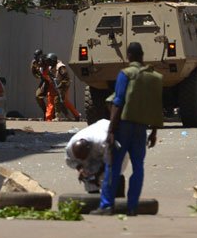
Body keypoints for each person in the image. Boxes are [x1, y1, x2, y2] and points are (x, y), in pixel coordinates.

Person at [92, 42, 162, 216]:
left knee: (113, 166)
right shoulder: (153, 77)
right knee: (138, 167)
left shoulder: (126, 74)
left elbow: (118, 102)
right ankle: (132, 207)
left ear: (129, 55)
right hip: (141, 128)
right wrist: (154, 131)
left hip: (123, 126)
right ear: (142, 55)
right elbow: (156, 106)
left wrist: (111, 130)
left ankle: (107, 205)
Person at [64, 118, 127, 193]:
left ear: (90, 149)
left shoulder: (102, 141)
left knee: (113, 174)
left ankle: (117, 193)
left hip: (113, 135)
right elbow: (70, 161)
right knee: (88, 175)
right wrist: (80, 169)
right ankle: (93, 197)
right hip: (97, 134)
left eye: (85, 157)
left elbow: (111, 160)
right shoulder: (70, 149)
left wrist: (98, 175)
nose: (84, 160)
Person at [52, 55, 82, 121]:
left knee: (58, 99)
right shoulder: (52, 66)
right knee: (64, 101)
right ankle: (75, 115)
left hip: (64, 84)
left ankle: (58, 117)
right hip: (59, 85)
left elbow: (66, 78)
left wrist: (60, 85)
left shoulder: (60, 66)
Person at [30, 49, 48, 115]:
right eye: (35, 56)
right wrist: (39, 77)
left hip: (51, 80)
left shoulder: (46, 59)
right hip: (44, 80)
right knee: (38, 96)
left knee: (54, 97)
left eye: (38, 56)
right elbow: (33, 72)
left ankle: (53, 114)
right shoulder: (34, 62)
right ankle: (45, 111)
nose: (36, 58)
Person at [42, 53, 60, 121]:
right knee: (50, 101)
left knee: (64, 102)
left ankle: (76, 115)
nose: (48, 63)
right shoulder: (49, 67)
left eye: (49, 61)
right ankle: (48, 118)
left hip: (60, 86)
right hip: (52, 85)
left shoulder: (59, 66)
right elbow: (46, 76)